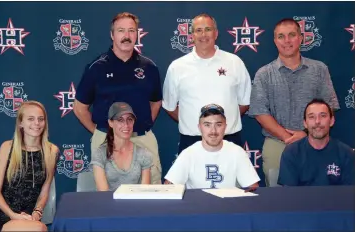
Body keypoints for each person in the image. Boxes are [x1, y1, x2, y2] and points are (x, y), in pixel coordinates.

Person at [73, 12, 163, 184]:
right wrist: (101, 133)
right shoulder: (96, 67)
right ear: (112, 35)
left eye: (131, 31)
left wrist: (141, 125)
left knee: (152, 196)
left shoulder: (149, 67)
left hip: (142, 138)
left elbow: (156, 102)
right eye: (121, 30)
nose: (126, 36)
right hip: (107, 140)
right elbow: (79, 108)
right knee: (105, 198)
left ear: (137, 34)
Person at [248, 18, 340, 186]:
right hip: (277, 144)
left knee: (318, 198)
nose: (287, 41)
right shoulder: (264, 74)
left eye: (292, 35)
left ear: (301, 38)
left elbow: (330, 106)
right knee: (278, 201)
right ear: (275, 41)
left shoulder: (319, 69)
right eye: (281, 36)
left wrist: (306, 134)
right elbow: (260, 112)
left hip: (316, 143)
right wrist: (287, 137)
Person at [162, 13, 251, 154]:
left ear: (216, 33)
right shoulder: (177, 67)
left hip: (229, 140)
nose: (203, 34)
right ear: (191, 36)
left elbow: (244, 103)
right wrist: (193, 123)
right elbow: (170, 106)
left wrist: (220, 123)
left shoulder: (234, 62)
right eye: (198, 30)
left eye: (208, 29)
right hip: (191, 141)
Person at [0, 101, 59, 232]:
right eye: (30, 119)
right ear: (21, 123)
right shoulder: (7, 147)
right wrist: (13, 215)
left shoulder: (52, 151)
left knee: (39, 228)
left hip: (30, 217)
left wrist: (37, 212)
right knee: (39, 229)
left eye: (41, 119)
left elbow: (45, 189)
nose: (37, 123)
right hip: (3, 214)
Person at [164, 104, 260, 190]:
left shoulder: (237, 151)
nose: (213, 131)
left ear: (225, 127)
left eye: (218, 125)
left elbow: (253, 188)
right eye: (207, 125)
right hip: (197, 207)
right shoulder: (188, 154)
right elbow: (169, 187)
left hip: (229, 206)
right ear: (199, 127)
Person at [278, 99, 354, 186]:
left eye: (323, 116)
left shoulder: (346, 154)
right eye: (311, 117)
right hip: (301, 200)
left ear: (332, 121)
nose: (317, 121)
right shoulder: (292, 153)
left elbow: (348, 195)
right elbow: (289, 195)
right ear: (305, 123)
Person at [91, 102, 153, 191]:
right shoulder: (99, 153)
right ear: (110, 123)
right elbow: (103, 195)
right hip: (107, 204)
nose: (126, 125)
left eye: (130, 119)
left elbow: (144, 193)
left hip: (136, 204)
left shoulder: (144, 154)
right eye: (120, 120)